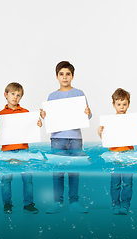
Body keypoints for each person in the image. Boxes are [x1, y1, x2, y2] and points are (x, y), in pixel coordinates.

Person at [40, 61, 92, 214]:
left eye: (68, 74)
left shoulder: (79, 93)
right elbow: (49, 118)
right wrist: (44, 116)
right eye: (61, 74)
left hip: (75, 138)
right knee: (58, 172)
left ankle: (74, 202)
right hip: (57, 139)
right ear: (57, 76)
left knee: (74, 172)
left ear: (72, 76)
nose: (65, 77)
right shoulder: (52, 96)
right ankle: (57, 202)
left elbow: (88, 116)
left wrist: (87, 112)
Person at [98, 88, 137, 215]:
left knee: (127, 182)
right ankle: (115, 204)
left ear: (128, 105)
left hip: (128, 154)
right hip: (114, 155)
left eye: (124, 104)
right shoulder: (109, 122)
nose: (122, 107)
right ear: (113, 105)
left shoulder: (132, 121)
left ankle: (125, 204)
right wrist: (100, 132)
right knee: (115, 182)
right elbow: (106, 139)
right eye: (119, 104)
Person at [0, 82, 42, 214]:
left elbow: (31, 129)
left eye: (19, 95)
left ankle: (29, 204)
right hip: (6, 150)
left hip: (23, 149)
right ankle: (7, 204)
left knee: (27, 179)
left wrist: (37, 124)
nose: (15, 97)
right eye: (13, 94)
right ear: (6, 95)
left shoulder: (26, 112)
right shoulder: (0, 114)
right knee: (6, 180)